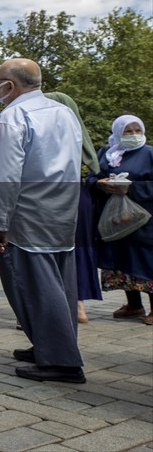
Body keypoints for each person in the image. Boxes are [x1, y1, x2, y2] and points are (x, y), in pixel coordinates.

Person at [0, 58, 85, 383]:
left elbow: (4, 177)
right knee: (61, 285)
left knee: (36, 286)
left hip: (27, 215)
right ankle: (52, 344)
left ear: (10, 86)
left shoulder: (12, 118)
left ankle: (61, 359)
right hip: (62, 209)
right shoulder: (64, 112)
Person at [46, 92, 102, 323]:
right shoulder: (76, 133)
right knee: (73, 251)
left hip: (53, 198)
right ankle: (75, 303)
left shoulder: (52, 134)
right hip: (77, 196)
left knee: (50, 253)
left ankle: (65, 305)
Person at [92, 115, 153, 325]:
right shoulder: (107, 153)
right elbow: (93, 175)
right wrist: (100, 183)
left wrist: (132, 188)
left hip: (143, 219)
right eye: (128, 131)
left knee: (146, 261)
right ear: (118, 132)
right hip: (115, 218)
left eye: (137, 130)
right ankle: (134, 305)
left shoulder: (149, 153)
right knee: (122, 260)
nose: (134, 135)